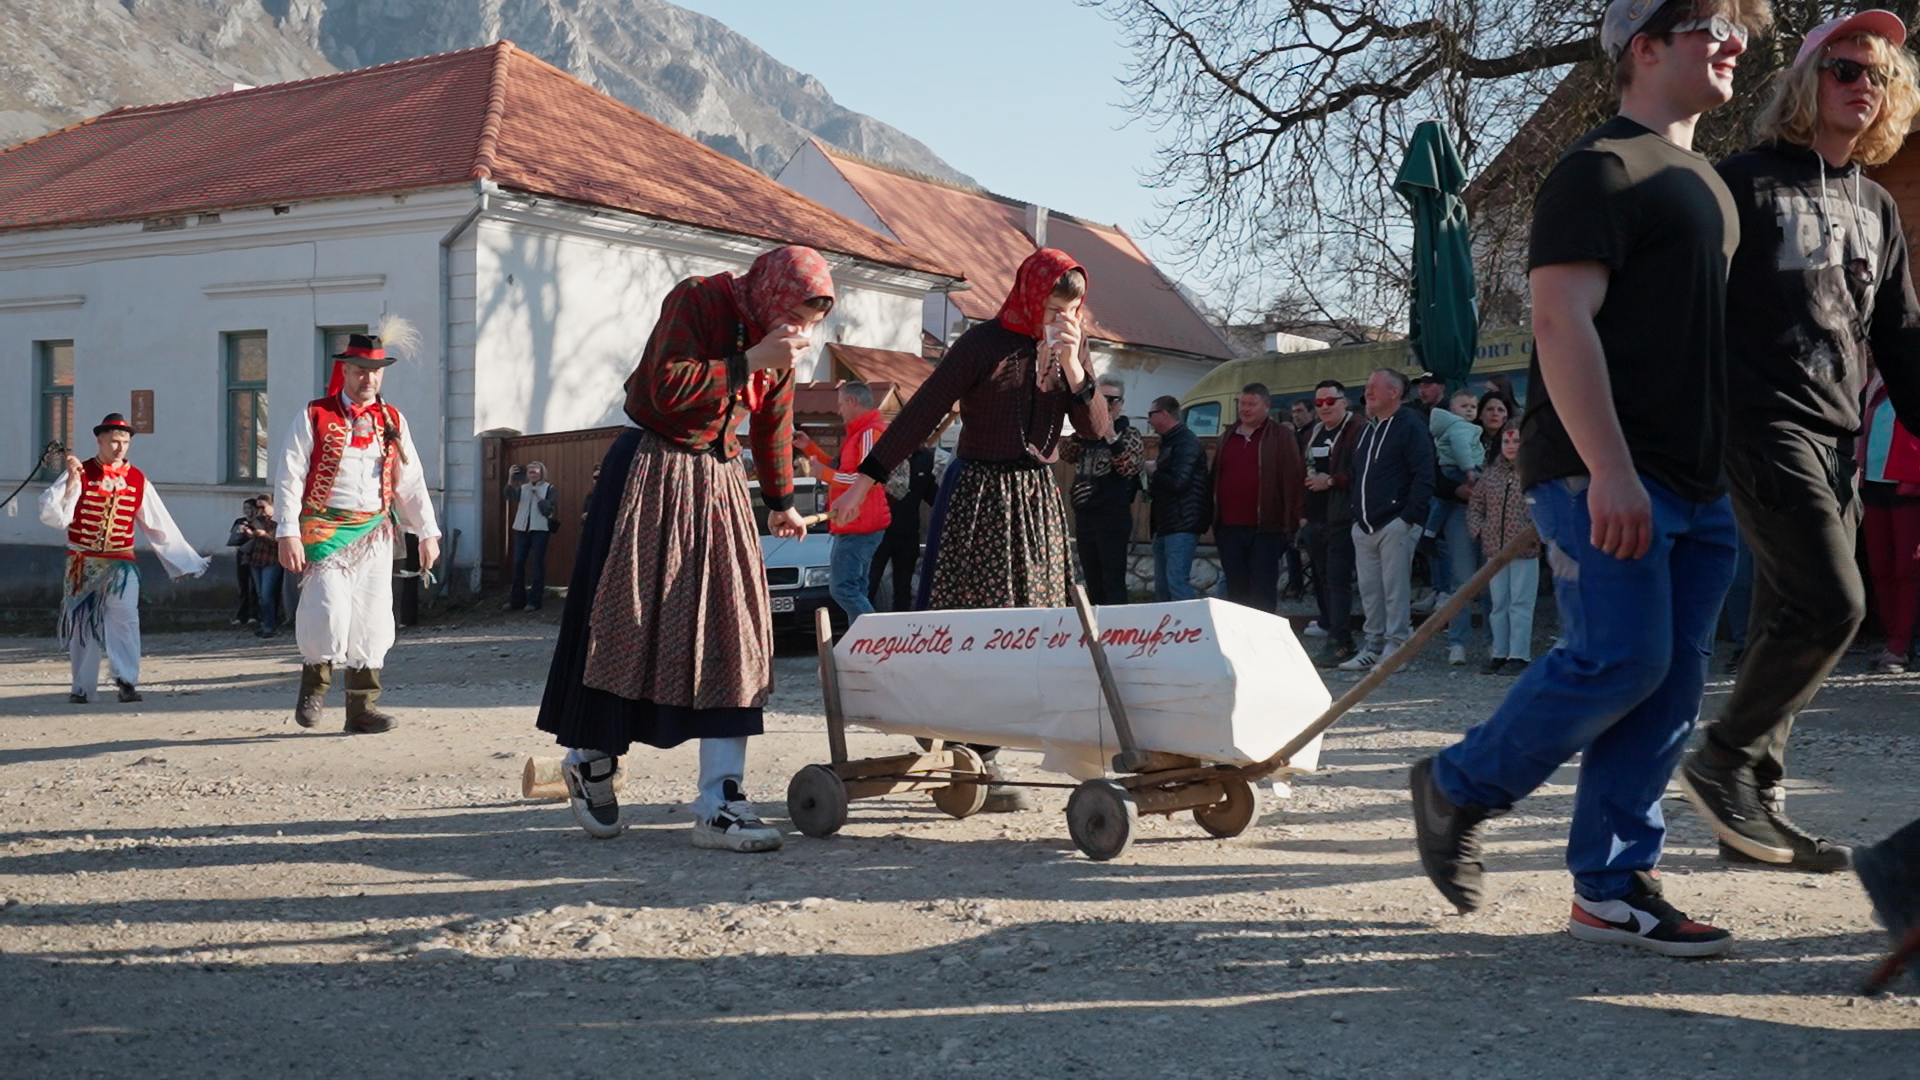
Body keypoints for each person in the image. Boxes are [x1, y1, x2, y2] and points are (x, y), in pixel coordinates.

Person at [1410, 0, 1758, 957]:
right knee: (1623, 658)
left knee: (1673, 682)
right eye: (1710, 26)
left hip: (1699, 480)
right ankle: (1455, 786)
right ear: (1643, 47)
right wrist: (1610, 469)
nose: (1734, 41)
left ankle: (1609, 888)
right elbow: (1561, 323)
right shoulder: (1598, 168)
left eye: (1740, 26)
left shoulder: (1714, 188)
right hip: (1605, 470)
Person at [1680, 9, 1920, 875]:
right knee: (1834, 603)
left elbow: (1900, 342)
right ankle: (1720, 761)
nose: (1864, 86)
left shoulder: (1879, 206)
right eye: (1845, 69)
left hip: (1840, 435)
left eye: (1880, 76)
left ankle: (1752, 812)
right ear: (1803, 80)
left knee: (1785, 615)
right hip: (1758, 423)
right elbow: (1683, 310)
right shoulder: (1739, 181)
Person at [535, 246, 826, 850]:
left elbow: (774, 418)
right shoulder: (699, 297)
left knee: (733, 631)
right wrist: (748, 359)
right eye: (797, 313)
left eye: (813, 319)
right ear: (769, 291)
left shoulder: (781, 342)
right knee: (627, 620)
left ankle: (721, 798)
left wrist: (779, 500)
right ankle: (592, 759)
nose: (801, 330)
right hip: (649, 468)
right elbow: (661, 386)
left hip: (717, 480)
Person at [840, 248, 1110, 812]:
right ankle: (971, 751)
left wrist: (1077, 371)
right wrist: (866, 481)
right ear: (1031, 296)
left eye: (1073, 307)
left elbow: (1096, 433)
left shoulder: (1072, 346)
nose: (1061, 317)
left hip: (1036, 502)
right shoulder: (981, 345)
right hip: (979, 499)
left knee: (1034, 625)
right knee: (975, 622)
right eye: (1054, 306)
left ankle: (1000, 741)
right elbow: (920, 414)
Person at [276, 317, 441, 736]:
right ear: (345, 371)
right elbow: (290, 474)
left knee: (371, 617)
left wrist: (427, 531)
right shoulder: (315, 414)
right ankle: (314, 687)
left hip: (374, 532)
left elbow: (411, 479)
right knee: (328, 610)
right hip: (324, 528)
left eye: (374, 371)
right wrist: (286, 531)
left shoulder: (392, 420)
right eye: (359, 370)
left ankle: (362, 708)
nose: (368, 378)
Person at [39, 413, 210, 703]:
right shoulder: (81, 472)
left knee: (126, 620)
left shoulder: (137, 478)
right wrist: (70, 481)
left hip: (121, 563)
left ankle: (127, 681)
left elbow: (158, 522)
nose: (120, 448)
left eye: (125, 442)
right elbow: (53, 514)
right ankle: (82, 687)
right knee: (83, 623)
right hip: (83, 563)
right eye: (114, 441)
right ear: (100, 441)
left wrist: (181, 561)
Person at [1341, 368, 1433, 670]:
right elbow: (1357, 475)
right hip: (1366, 524)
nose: (1366, 392)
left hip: (1395, 523)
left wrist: (1407, 518)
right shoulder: (1369, 429)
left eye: (1373, 387)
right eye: (1367, 387)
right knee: (1370, 591)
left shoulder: (1410, 426)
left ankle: (1398, 647)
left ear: (1394, 392)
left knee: (1395, 590)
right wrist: (1357, 516)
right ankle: (1374, 645)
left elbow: (1424, 473)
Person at [796, 381, 892, 620]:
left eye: (840, 404)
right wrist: (809, 447)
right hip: (855, 523)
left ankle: (873, 637)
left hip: (858, 525)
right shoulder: (862, 433)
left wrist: (825, 474)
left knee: (843, 589)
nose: (839, 411)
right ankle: (864, 645)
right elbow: (845, 470)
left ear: (852, 401)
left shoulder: (870, 432)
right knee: (855, 589)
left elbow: (870, 478)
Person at [1209, 383, 1305, 613]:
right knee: (1236, 593)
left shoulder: (1281, 436)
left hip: (1266, 529)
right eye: (1243, 403)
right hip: (1229, 529)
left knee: (1262, 594)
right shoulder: (1228, 436)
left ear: (1267, 406)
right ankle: (1238, 643)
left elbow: (1293, 480)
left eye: (1252, 404)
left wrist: (1291, 522)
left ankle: (1264, 644)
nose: (1246, 409)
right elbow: (1214, 477)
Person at [1061, 375, 1144, 606]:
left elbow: (1128, 468)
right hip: (1086, 516)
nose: (1107, 405)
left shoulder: (1130, 434)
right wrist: (1084, 426)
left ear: (1121, 404)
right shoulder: (1086, 434)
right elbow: (1065, 454)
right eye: (1101, 398)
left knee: (1113, 582)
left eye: (1112, 400)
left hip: (1113, 517)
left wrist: (1111, 436)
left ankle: (1118, 632)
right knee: (1092, 582)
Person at [1861, 367, 1920, 673]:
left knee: (1907, 568)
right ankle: (1888, 638)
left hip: (1909, 483)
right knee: (1880, 566)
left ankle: (1901, 644)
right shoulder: (1876, 380)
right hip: (1871, 481)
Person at [1301, 379, 1364, 666]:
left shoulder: (1357, 429)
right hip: (1315, 518)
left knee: (1338, 581)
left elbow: (1360, 472)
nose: (1324, 407)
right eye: (1319, 403)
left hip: (1341, 517)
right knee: (1323, 581)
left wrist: (1330, 481)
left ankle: (1341, 640)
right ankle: (1332, 632)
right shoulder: (1314, 432)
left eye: (1330, 401)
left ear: (1344, 401)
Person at [1467, 421, 1538, 675]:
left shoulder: (1534, 473)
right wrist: (1479, 530)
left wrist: (1534, 535)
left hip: (1524, 551)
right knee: (1499, 604)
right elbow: (1476, 505)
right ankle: (1500, 652)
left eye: (1516, 442)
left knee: (1521, 603)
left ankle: (1519, 654)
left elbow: (1544, 508)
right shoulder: (1491, 475)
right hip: (1495, 551)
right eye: (1506, 441)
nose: (1510, 446)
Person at [1427, 388, 1486, 665]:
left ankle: (1494, 641)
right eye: (1464, 405)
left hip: (1492, 515)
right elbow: (1437, 476)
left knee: (1490, 581)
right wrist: (1465, 481)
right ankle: (1458, 642)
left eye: (1474, 406)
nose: (1470, 410)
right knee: (1462, 579)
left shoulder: (1481, 436)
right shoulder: (1460, 433)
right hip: (1461, 510)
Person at [1146, 394, 1210, 602]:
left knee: (1176, 582)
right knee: (1163, 586)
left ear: (1164, 414)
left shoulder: (1186, 443)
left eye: (1151, 414)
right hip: (1166, 522)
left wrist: (1154, 472)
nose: (1148, 419)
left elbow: (1179, 483)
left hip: (1181, 523)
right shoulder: (1170, 442)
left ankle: (1190, 629)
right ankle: (1167, 631)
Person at [869, 437, 938, 612]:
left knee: (903, 587)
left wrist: (951, 506)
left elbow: (931, 493)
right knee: (870, 582)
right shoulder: (884, 455)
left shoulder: (924, 458)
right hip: (879, 531)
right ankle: (862, 627)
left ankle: (901, 629)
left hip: (908, 532)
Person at [503, 461, 558, 612]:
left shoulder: (549, 489)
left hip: (540, 530)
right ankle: (516, 600)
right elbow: (508, 495)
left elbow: (548, 509)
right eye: (530, 472)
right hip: (522, 529)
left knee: (537, 565)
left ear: (542, 473)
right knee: (518, 563)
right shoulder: (523, 488)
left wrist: (538, 495)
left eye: (535, 472)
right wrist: (510, 477)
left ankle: (534, 601)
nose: (532, 475)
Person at [245, 494, 283, 639]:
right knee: (261, 595)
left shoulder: (277, 520)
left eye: (262, 507)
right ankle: (264, 624)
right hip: (256, 559)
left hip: (271, 560)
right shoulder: (257, 520)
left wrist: (264, 535)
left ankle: (270, 626)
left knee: (267, 595)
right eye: (258, 507)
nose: (260, 510)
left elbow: (279, 540)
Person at [226, 497, 258, 626]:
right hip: (242, 555)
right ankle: (241, 615)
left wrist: (252, 533)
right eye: (245, 508)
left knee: (255, 587)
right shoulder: (240, 521)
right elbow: (234, 537)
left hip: (256, 556)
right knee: (243, 585)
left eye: (249, 508)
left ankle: (254, 614)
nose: (247, 511)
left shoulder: (258, 522)